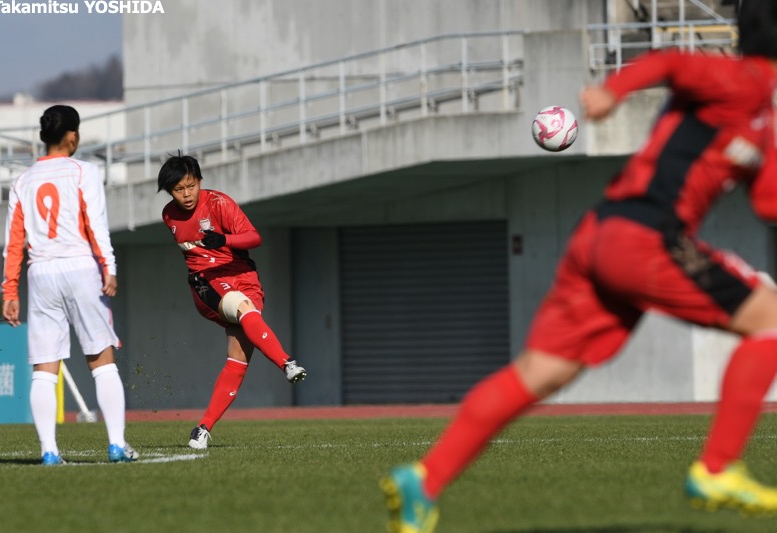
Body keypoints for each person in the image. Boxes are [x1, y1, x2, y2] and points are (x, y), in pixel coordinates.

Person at [381, 0, 777, 530]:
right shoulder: (745, 80)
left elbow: (767, 202)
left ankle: (424, 479)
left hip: (603, 237)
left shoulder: (760, 111)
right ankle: (717, 468)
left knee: (544, 371)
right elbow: (670, 62)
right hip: (644, 236)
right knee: (770, 319)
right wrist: (613, 92)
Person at [2, 105, 138, 465]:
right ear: (73, 136)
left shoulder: (22, 181)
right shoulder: (84, 171)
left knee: (44, 369)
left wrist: (10, 290)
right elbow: (96, 223)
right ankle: (116, 445)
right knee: (102, 360)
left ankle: (49, 451)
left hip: (41, 273)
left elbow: (13, 241)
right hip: (80, 267)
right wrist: (109, 266)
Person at [157, 153, 307, 450]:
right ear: (169, 192)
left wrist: (223, 239)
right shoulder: (169, 215)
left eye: (190, 186)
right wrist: (215, 249)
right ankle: (286, 362)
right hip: (206, 282)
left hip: (244, 277)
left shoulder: (219, 203)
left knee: (238, 357)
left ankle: (202, 429)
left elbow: (253, 237)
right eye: (178, 189)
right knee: (242, 307)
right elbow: (199, 255)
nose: (186, 195)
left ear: (200, 181)